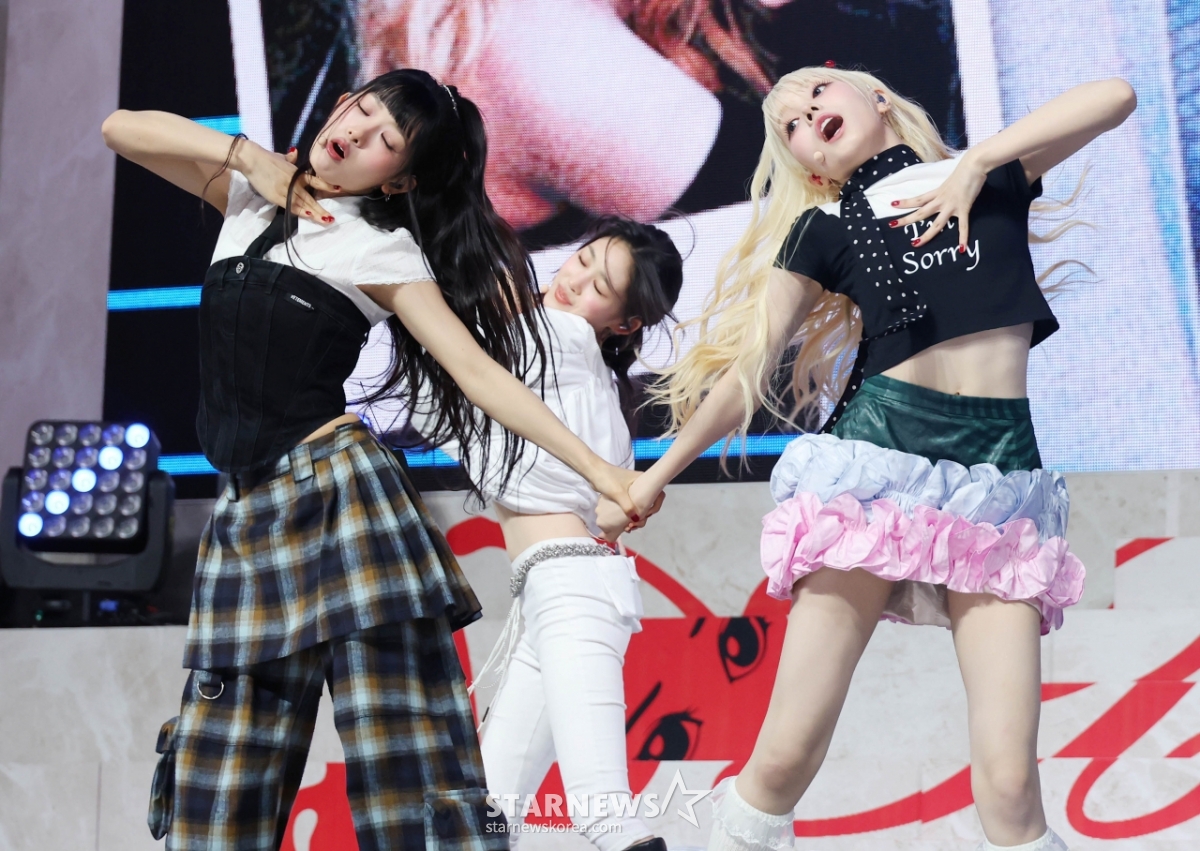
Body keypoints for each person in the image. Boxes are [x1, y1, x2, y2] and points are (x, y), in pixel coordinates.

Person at [102, 67, 641, 851]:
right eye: (360, 108)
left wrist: (603, 472)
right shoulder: (246, 199)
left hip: (343, 507)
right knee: (216, 790)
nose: (355, 130)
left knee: (408, 771)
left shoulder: (380, 248)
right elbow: (121, 128)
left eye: (386, 137)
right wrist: (249, 158)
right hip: (245, 518)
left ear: (401, 179)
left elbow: (477, 373)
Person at [600, 67, 1137, 850]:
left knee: (1012, 786)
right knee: (784, 755)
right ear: (810, 166)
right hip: (878, 471)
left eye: (817, 93)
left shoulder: (996, 176)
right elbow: (747, 372)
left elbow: (1115, 96)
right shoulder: (824, 227)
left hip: (1001, 480)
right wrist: (653, 475)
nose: (805, 114)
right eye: (789, 123)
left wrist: (976, 163)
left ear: (876, 96)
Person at [410, 216, 683, 850]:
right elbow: (441, 408)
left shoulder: (557, 338)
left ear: (625, 323)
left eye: (600, 286)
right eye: (583, 260)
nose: (573, 280)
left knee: (602, 813)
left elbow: (443, 370)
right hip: (559, 591)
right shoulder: (583, 378)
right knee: (487, 820)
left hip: (571, 591)